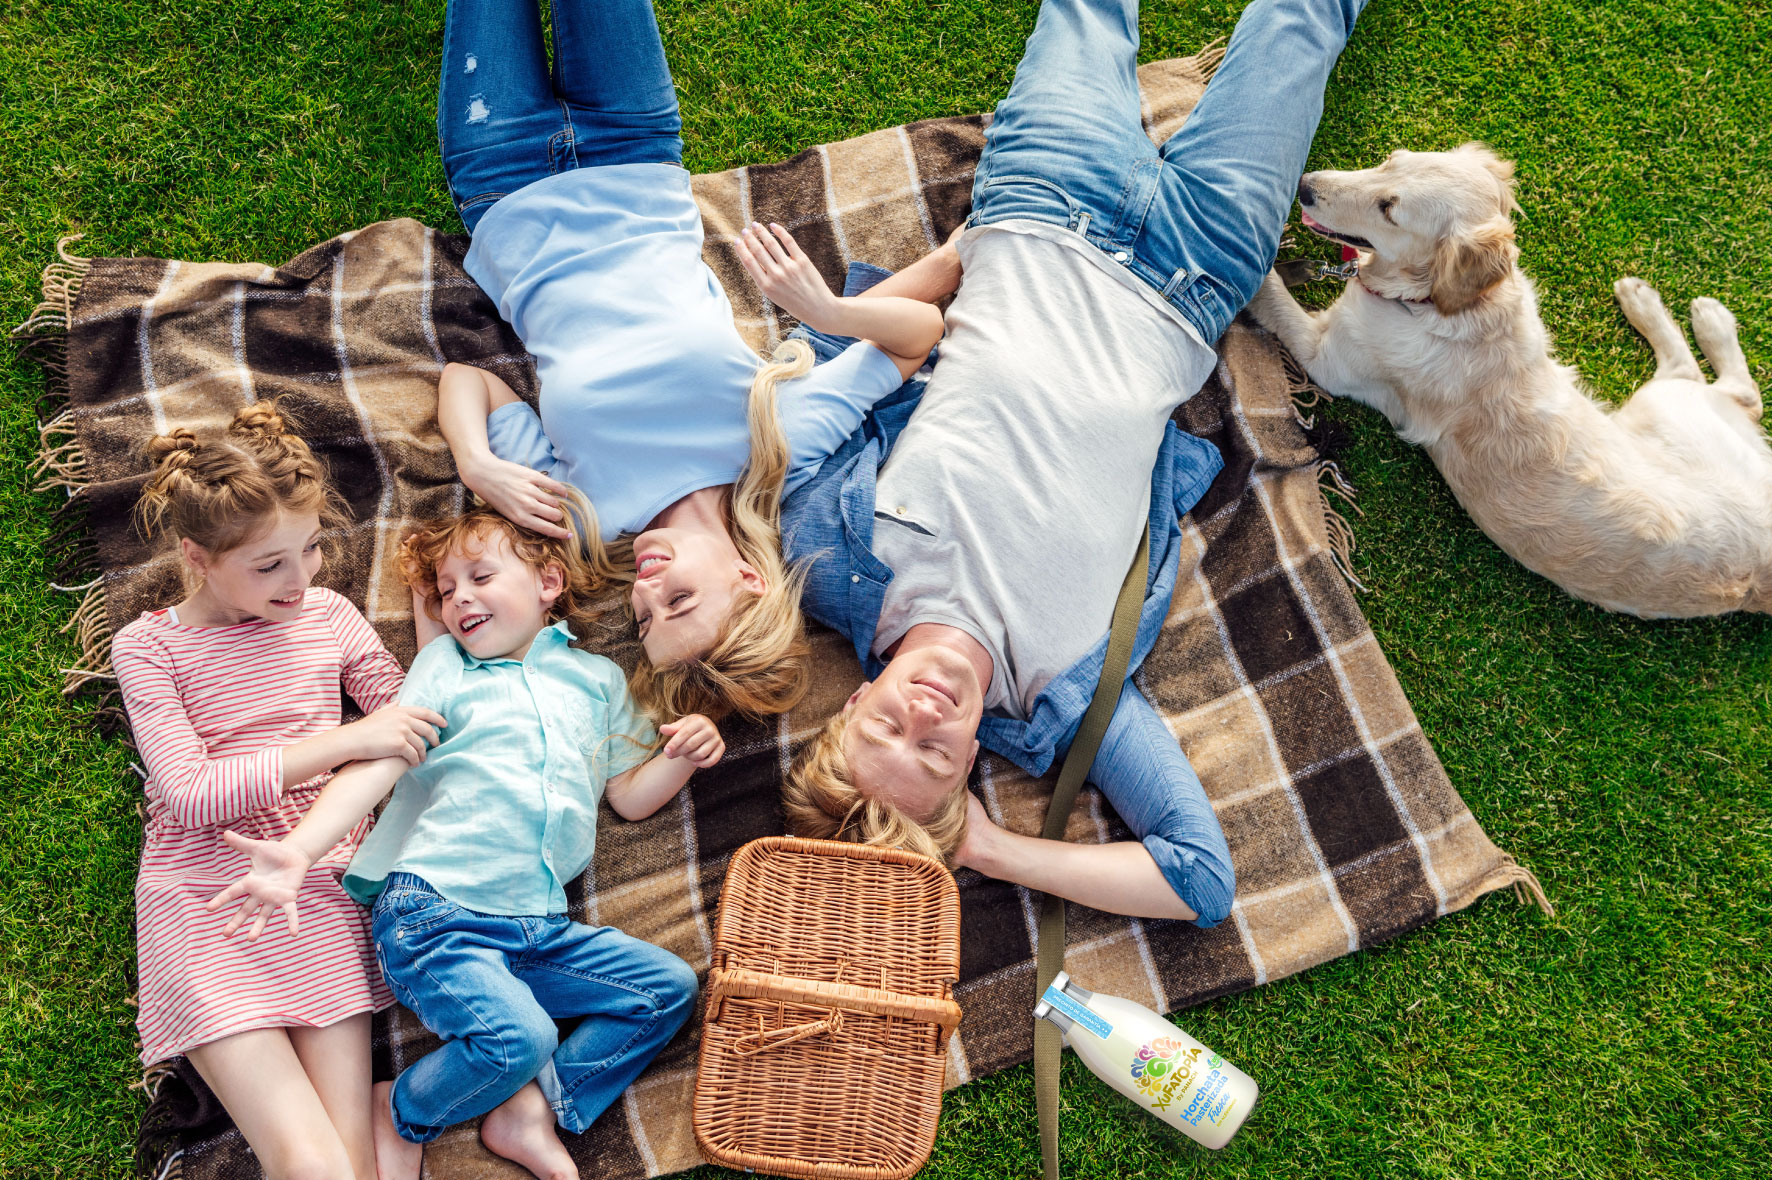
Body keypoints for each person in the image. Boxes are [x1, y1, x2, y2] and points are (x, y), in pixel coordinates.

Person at [778, 0, 1369, 925]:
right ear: (971, 764)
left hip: (1040, 204)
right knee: (1305, 22)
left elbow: (799, 398)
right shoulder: (1067, 704)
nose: (926, 713)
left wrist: (941, 266)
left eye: (889, 724)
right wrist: (981, 845)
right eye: (934, 753)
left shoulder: (827, 559)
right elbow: (1199, 882)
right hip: (1199, 269)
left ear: (855, 705)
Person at [429, 0, 950, 723]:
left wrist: (476, 464)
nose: (645, 593)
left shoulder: (587, 521)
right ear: (749, 578)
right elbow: (917, 334)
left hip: (502, 176)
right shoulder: (775, 447)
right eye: (678, 602)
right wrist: (830, 313)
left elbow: (467, 382)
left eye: (645, 620)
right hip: (634, 144)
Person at [209, 506, 721, 1180]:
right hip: (436, 913)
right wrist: (301, 850)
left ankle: (533, 1103)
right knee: (520, 1037)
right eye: (447, 591)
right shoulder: (445, 665)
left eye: (480, 577)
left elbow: (628, 795)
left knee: (667, 988)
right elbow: (383, 761)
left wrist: (688, 752)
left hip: (538, 926)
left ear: (548, 583)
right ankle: (403, 1110)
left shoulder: (596, 681)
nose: (461, 599)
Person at [110, 403, 447, 1180]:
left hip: (318, 889)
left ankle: (388, 1138)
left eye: (312, 549)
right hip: (206, 898)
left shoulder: (328, 615)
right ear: (197, 557)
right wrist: (344, 742)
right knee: (309, 1165)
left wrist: (430, 668)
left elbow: (407, 727)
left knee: (349, 1166)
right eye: (268, 565)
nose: (300, 581)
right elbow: (191, 792)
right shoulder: (150, 645)